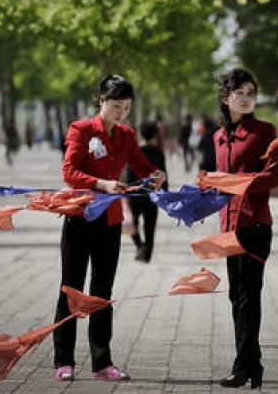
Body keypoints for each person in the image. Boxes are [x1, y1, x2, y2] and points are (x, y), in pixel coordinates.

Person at [53, 74, 165, 382]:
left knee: (102, 291)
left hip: (110, 222)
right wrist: (101, 183)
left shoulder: (127, 136)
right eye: (116, 105)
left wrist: (156, 174)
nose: (121, 112)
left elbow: (142, 165)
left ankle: (102, 363)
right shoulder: (82, 129)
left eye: (126, 107)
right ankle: (64, 360)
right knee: (71, 289)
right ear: (100, 100)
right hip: (80, 217)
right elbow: (69, 171)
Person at [213, 68, 278, 389]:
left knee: (248, 298)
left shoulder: (266, 132)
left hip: (255, 225)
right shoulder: (218, 136)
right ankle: (253, 365)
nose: (246, 97)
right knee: (234, 296)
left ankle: (242, 368)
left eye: (251, 92)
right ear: (226, 98)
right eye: (240, 92)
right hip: (228, 227)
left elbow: (274, 178)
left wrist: (240, 182)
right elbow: (219, 182)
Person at [124, 121, 168, 263]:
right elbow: (163, 173)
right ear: (155, 134)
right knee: (150, 226)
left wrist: (126, 192)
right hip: (151, 195)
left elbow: (129, 174)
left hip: (135, 193)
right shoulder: (158, 152)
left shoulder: (135, 151)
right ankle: (147, 254)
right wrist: (165, 193)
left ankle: (139, 245)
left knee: (131, 223)